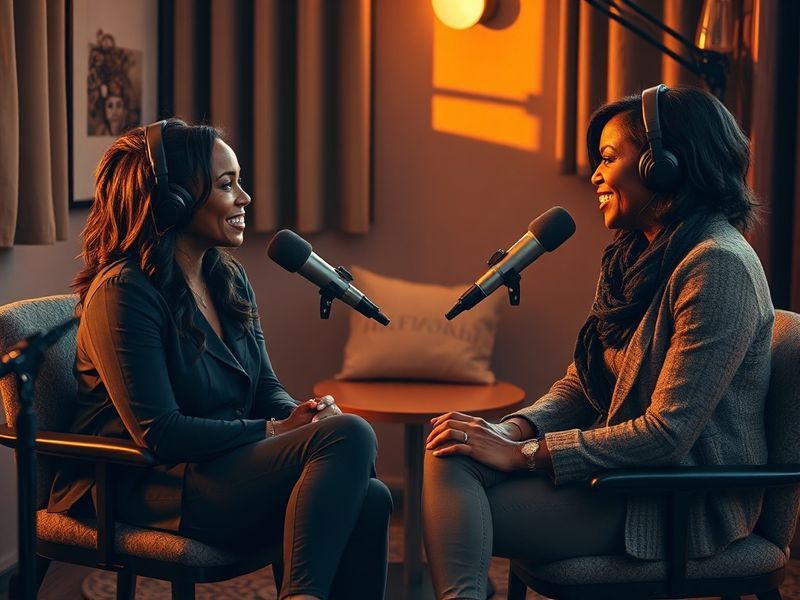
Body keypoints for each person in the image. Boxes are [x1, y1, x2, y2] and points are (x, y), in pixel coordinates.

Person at [422, 85, 774, 600]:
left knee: (458, 502)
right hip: (618, 478)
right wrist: (513, 427)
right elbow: (585, 384)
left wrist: (524, 453)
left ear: (665, 165)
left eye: (609, 157)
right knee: (450, 450)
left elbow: (667, 434)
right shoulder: (635, 256)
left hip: (673, 500)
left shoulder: (716, 266)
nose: (595, 175)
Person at [48, 118, 392, 600]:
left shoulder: (226, 277)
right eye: (227, 185)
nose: (245, 198)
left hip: (222, 465)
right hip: (149, 481)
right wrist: (278, 431)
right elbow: (160, 432)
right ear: (174, 200)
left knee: (370, 494)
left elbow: (264, 388)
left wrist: (306, 419)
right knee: (352, 434)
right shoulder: (123, 292)